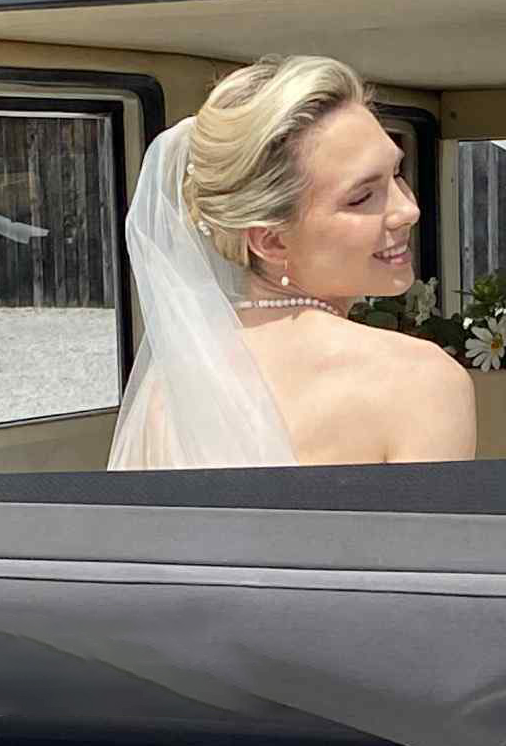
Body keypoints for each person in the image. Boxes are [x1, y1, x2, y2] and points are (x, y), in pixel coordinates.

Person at [109, 56, 475, 470]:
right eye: (361, 197)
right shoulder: (419, 380)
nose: (408, 209)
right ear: (270, 240)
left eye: (397, 173)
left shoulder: (170, 388)